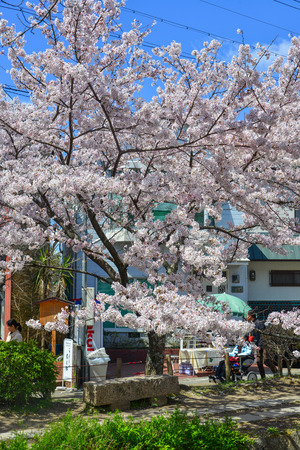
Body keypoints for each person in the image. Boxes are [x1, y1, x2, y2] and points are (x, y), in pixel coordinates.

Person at [246, 310, 277, 379]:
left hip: (264, 345)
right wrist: (244, 338)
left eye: (247, 315)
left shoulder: (259, 323)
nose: (246, 317)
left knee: (266, 361)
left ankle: (276, 372)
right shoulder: (250, 324)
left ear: (250, 316)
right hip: (256, 345)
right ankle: (263, 377)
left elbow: (262, 336)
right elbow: (248, 334)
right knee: (258, 361)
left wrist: (260, 346)